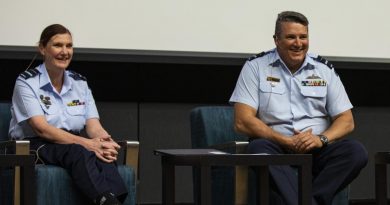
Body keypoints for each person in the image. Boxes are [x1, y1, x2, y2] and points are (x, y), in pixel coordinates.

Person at [229, 11, 368, 205]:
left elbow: (346, 120)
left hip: (316, 149)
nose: (298, 43)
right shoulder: (255, 67)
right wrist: (285, 140)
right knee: (258, 149)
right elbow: (242, 121)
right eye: (291, 37)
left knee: (355, 152)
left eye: (303, 37)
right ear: (276, 40)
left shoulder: (324, 69)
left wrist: (321, 139)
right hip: (274, 145)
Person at [8, 24, 127, 205]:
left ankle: (116, 200)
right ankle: (107, 201)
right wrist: (88, 144)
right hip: (36, 144)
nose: (65, 51)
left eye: (69, 46)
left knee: (102, 153)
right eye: (58, 45)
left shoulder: (80, 83)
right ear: (42, 48)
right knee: (80, 151)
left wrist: (104, 141)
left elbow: (93, 125)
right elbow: (42, 129)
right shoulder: (26, 82)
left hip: (73, 143)